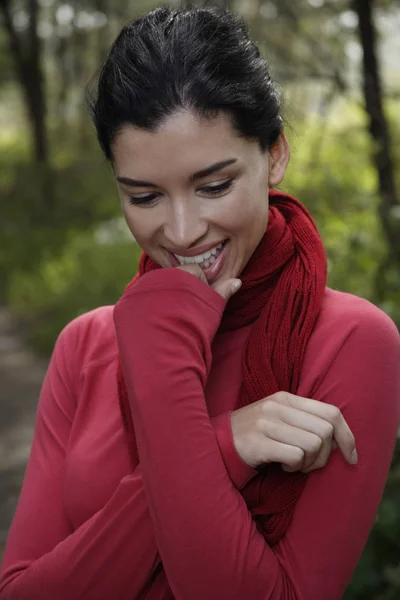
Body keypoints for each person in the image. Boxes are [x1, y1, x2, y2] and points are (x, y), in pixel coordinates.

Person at [1, 5, 399, 600]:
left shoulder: (352, 341)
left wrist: (165, 385)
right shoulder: (86, 343)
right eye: (145, 196)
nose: (183, 232)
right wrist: (224, 444)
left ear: (275, 155)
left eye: (214, 186)